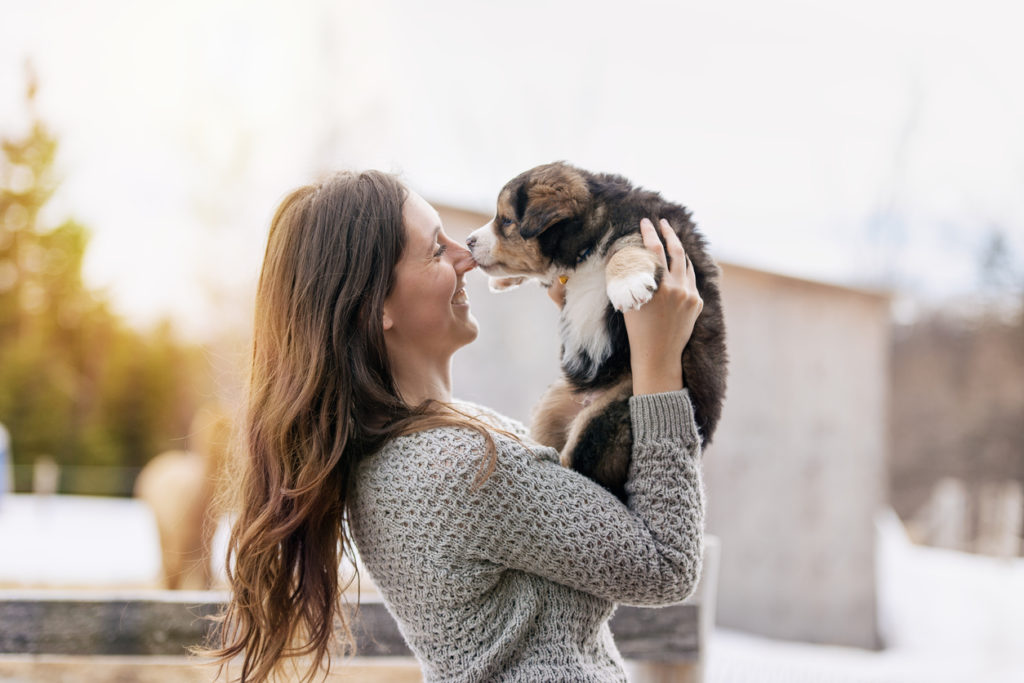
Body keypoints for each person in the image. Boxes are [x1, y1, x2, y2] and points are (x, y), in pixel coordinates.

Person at [207, 170, 706, 682]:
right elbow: (667, 564)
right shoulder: (462, 466)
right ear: (375, 305)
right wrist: (659, 366)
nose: (466, 255)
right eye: (435, 250)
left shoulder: (420, 448)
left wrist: (590, 314)